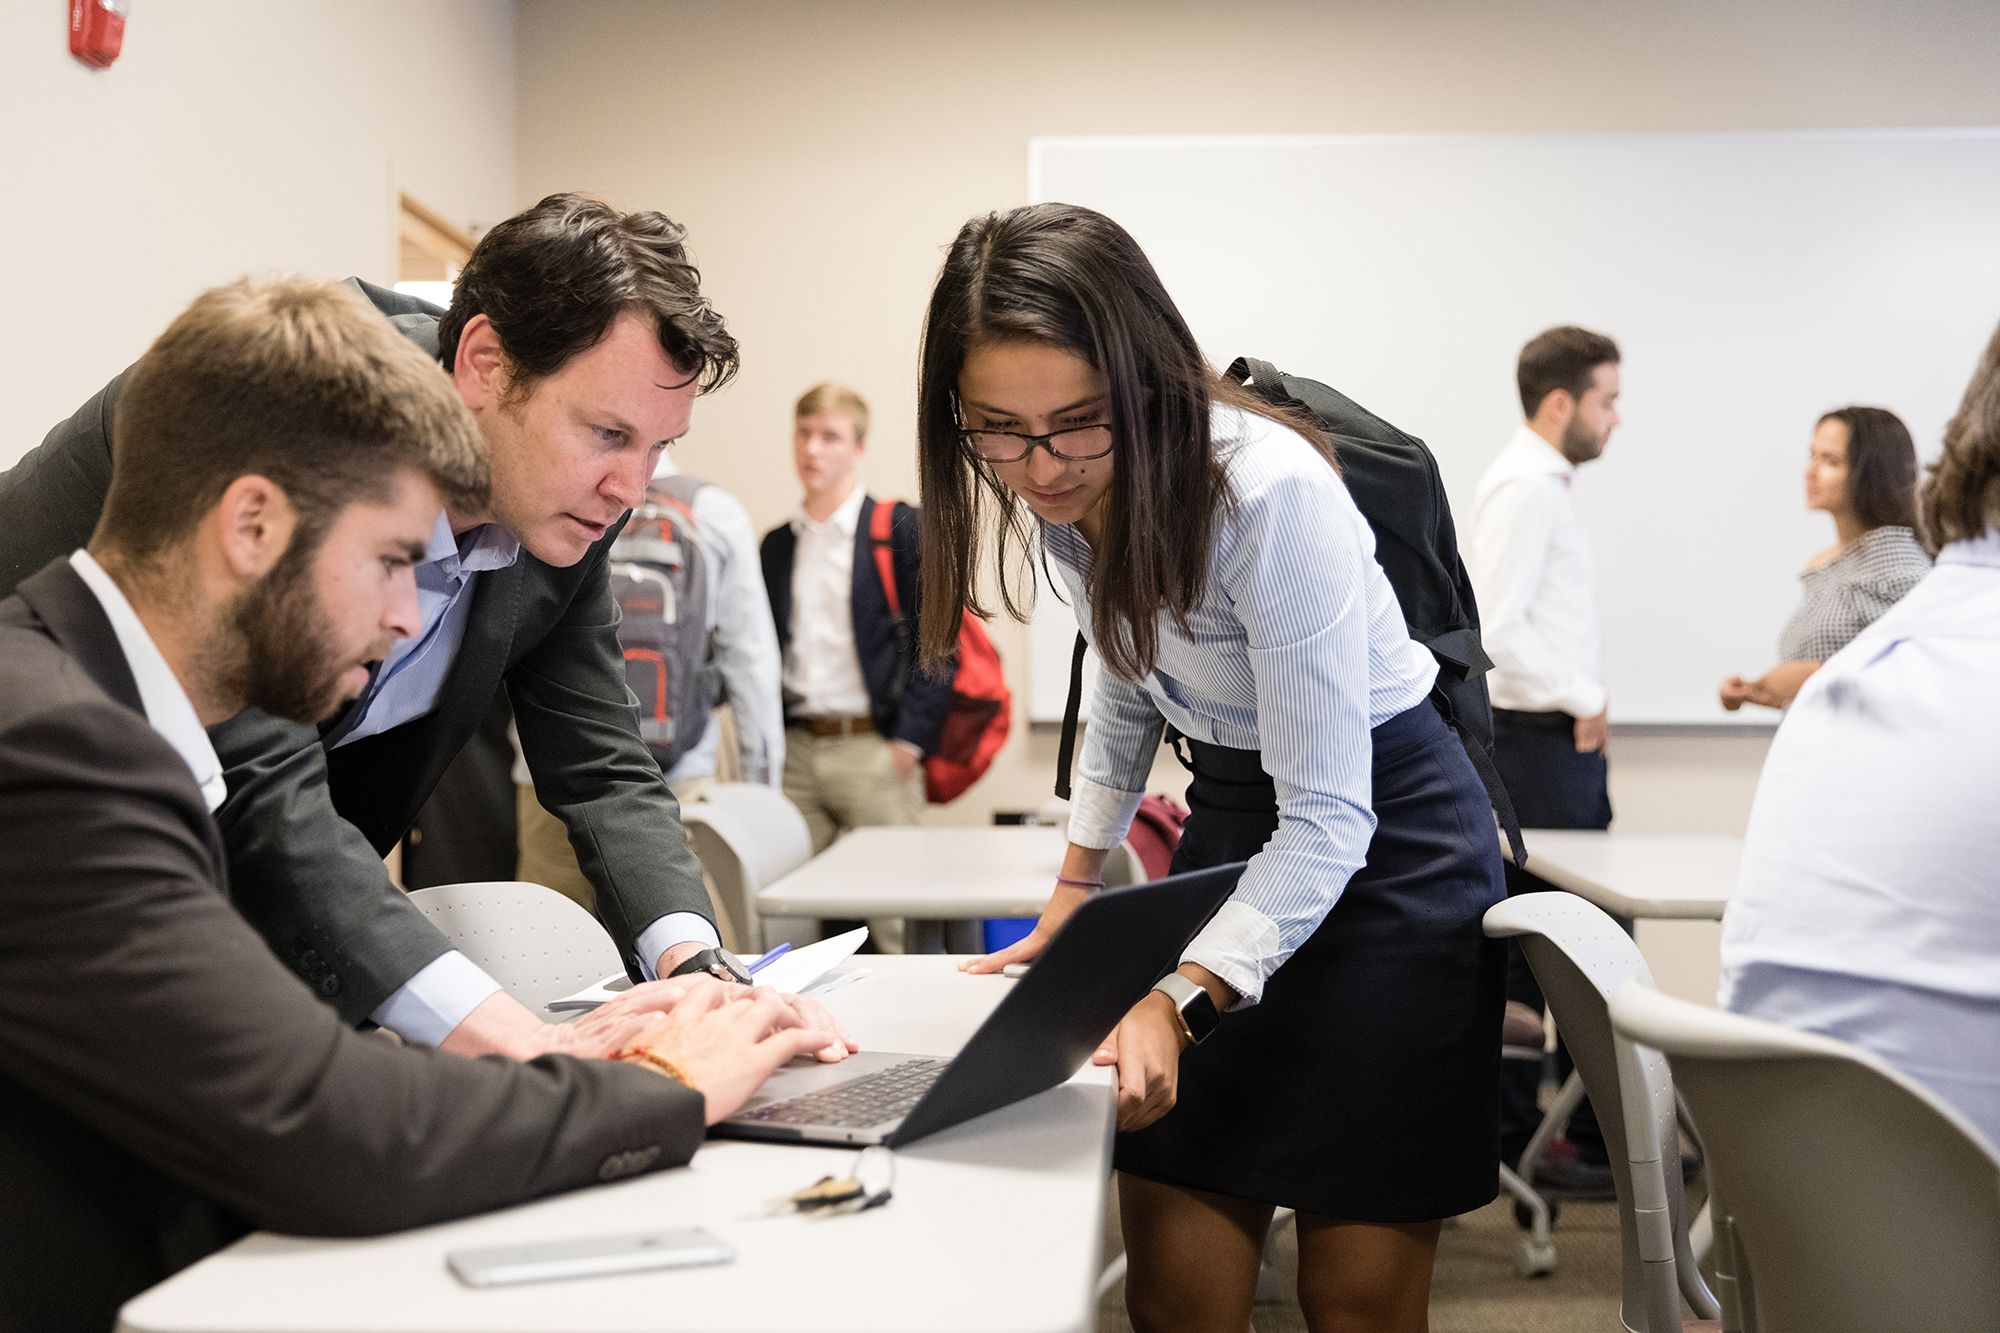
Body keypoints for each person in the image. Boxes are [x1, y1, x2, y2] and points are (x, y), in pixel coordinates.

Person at [0, 277, 836, 1332]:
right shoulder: (60, 752)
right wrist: (666, 1086)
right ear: (251, 524)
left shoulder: (116, 727)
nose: (414, 621)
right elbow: (326, 1120)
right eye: (398, 562)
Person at [0, 193, 850, 1062]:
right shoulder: (294, 403)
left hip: (229, 909)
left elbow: (598, 760)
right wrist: (529, 1046)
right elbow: (261, 775)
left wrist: (695, 968)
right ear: (483, 361)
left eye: (658, 448)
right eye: (606, 433)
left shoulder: (561, 502)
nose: (632, 488)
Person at [921, 204, 1504, 1333]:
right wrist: (1069, 904)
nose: (1039, 466)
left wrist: (1176, 999)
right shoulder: (1066, 491)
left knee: (1353, 1304)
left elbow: (1332, 818)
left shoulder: (1268, 492)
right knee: (1174, 1288)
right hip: (1235, 835)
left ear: (1144, 380)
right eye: (998, 429)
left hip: (1387, 852)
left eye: (1075, 425)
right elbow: (1129, 686)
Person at [1719, 319, 2000, 1148]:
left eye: (1829, 456)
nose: (1810, 470)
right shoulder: (1874, 591)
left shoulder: (1904, 589)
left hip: (1799, 1202)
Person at [1468, 324, 1623, 1190]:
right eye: (1607, 399)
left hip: (1550, 746)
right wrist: (1581, 694)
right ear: (1560, 402)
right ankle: (1566, 1144)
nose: (1616, 416)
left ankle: (1572, 1140)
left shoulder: (1544, 485)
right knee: (1583, 944)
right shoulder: (1525, 488)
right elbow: (1497, 633)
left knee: (1583, 943)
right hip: (1535, 745)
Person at [518, 456, 784, 906]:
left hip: (547, 775)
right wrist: (763, 793)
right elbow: (751, 661)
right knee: (682, 942)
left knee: (556, 950)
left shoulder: (544, 494)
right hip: (680, 777)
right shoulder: (714, 511)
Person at [759, 383, 952, 854]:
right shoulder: (777, 545)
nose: (812, 449)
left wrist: (908, 743)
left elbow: (941, 645)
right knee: (789, 909)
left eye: (830, 436)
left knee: (896, 914)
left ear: (859, 447)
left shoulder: (900, 529)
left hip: (873, 747)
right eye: (803, 434)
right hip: (798, 751)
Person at [1719, 406, 1929, 712]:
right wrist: (1758, 691)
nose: (1810, 471)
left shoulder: (1895, 560)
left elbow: (1917, 674)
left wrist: (1816, 675)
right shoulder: (1830, 561)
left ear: (1870, 474)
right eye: (1812, 456)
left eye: (1830, 461)